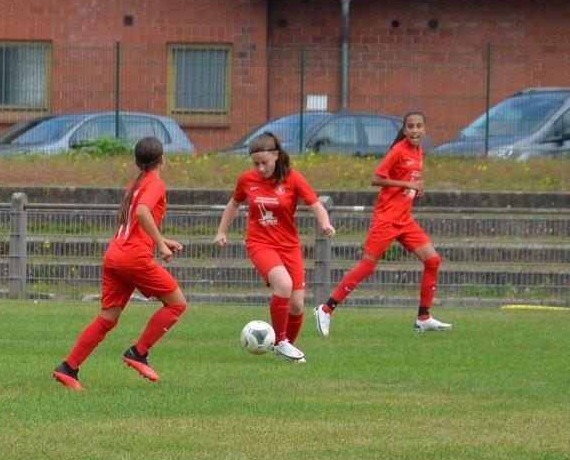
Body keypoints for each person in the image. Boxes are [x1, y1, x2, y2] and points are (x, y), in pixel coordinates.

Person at [53, 137, 187, 391]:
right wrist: (160, 244)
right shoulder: (155, 184)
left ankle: (68, 368)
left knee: (107, 318)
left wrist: (163, 239)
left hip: (115, 254)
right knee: (177, 304)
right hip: (133, 258)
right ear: (162, 160)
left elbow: (134, 224)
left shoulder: (135, 184)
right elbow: (142, 214)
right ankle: (138, 352)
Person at [314, 111, 450, 335]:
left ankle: (423, 317)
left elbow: (408, 184)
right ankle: (326, 309)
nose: (415, 131)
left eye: (419, 126)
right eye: (411, 127)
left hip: (404, 220)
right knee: (367, 266)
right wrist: (407, 184)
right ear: (404, 130)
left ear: (425, 130)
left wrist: (414, 191)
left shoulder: (419, 152)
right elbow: (376, 178)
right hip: (386, 219)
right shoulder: (398, 151)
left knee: (433, 260)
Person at [214, 131, 335, 363]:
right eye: (255, 163)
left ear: (276, 156)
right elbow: (233, 204)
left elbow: (316, 204)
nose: (259, 168)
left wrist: (325, 224)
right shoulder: (247, 180)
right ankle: (280, 341)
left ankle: (286, 345)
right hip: (260, 243)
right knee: (284, 285)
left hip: (289, 246)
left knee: (297, 305)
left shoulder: (293, 178)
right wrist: (221, 231)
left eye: (264, 163)